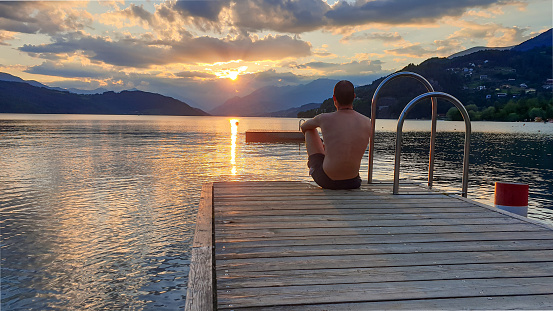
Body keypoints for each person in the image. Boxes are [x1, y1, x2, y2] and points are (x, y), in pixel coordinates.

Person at [300, 80, 371, 189]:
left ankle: (313, 167)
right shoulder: (367, 122)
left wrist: (323, 145)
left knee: (310, 130)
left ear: (334, 98)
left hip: (328, 180)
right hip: (354, 182)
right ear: (354, 97)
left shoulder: (324, 118)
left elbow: (304, 127)